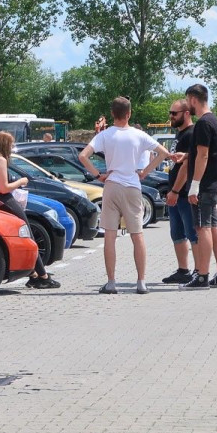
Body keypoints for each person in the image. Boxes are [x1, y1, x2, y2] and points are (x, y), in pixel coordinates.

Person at [79, 96, 173, 295]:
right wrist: (145, 172)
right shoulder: (139, 135)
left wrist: (98, 175)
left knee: (110, 236)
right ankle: (141, 282)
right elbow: (164, 153)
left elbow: (83, 156)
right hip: (133, 185)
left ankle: (111, 282)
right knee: (137, 235)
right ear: (129, 113)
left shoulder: (105, 135)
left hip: (112, 185)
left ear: (113, 114)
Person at [0, 131, 59, 289]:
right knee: (27, 235)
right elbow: (4, 187)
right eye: (11, 144)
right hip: (5, 200)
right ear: (5, 144)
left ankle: (34, 274)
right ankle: (43, 277)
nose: (13, 147)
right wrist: (21, 181)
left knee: (16, 237)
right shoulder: (0, 160)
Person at [179, 83, 217, 289]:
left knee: (203, 228)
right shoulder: (214, 121)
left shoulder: (202, 124)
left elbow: (204, 155)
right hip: (212, 184)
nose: (186, 105)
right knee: (214, 227)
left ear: (193, 99)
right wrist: (186, 156)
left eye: (187, 101)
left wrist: (194, 185)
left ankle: (203, 276)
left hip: (204, 184)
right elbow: (208, 153)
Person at [161, 100, 198, 284]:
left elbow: (187, 164)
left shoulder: (191, 134)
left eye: (174, 113)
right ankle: (183, 270)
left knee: (193, 233)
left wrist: (175, 190)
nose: (171, 116)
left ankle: (200, 271)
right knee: (177, 233)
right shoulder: (179, 134)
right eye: (170, 113)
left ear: (186, 113)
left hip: (183, 193)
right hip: (174, 191)